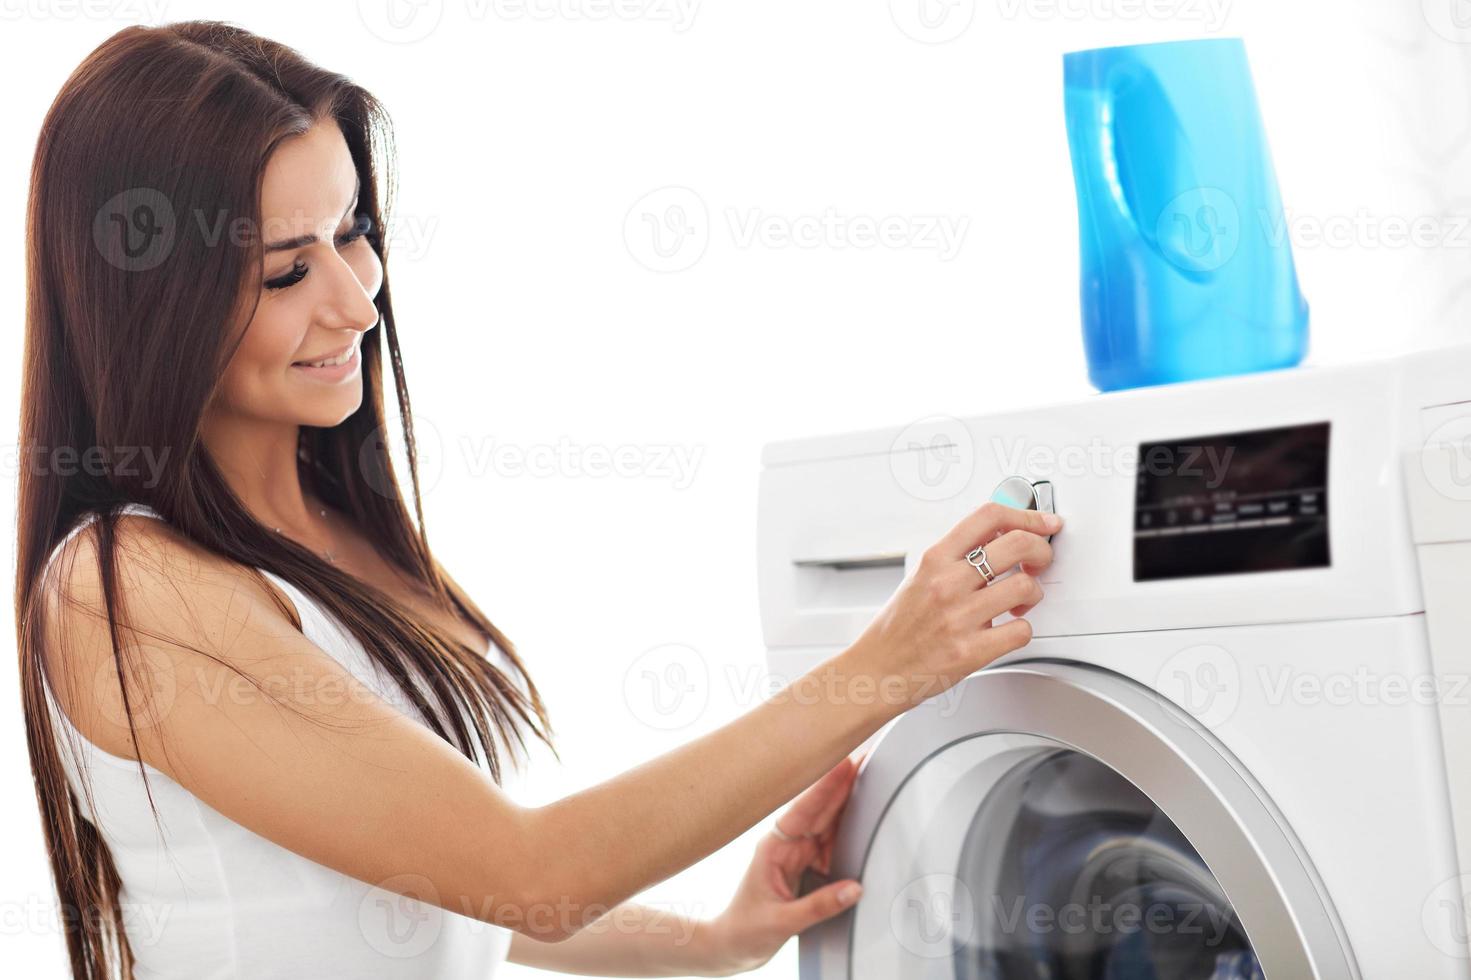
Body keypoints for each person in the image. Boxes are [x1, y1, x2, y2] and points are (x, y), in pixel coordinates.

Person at [16, 20, 1061, 980]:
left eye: (354, 229)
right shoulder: (125, 587)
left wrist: (708, 941)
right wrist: (887, 664)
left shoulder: (328, 535)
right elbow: (528, 873)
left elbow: (418, 876)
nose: (356, 295)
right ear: (152, 304)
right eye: (289, 270)